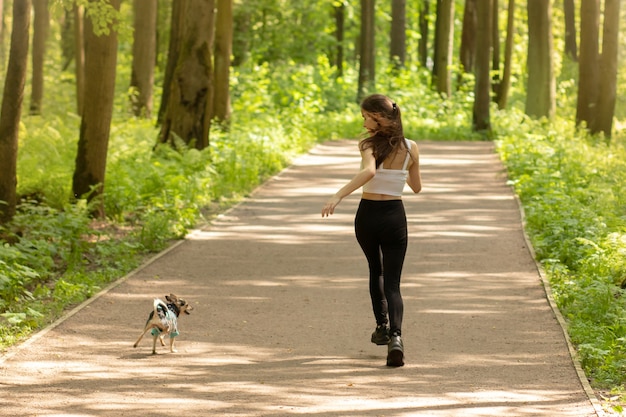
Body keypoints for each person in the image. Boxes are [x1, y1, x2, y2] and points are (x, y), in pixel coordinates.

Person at [321, 94, 422, 367]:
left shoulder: (367, 144)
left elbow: (369, 172)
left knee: (374, 271)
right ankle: (396, 338)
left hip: (367, 216)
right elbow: (416, 187)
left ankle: (381, 327)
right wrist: (404, 168)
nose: (363, 121)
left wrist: (338, 195)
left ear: (378, 118)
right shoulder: (411, 147)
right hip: (394, 217)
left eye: (366, 116)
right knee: (393, 283)